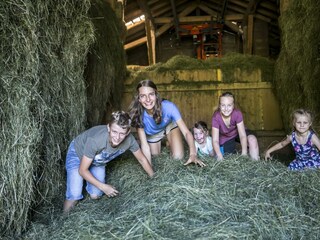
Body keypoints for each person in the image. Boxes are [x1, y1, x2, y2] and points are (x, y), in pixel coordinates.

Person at [63, 111, 154, 213]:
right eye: (114, 132)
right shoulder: (96, 140)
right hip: (78, 154)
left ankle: (89, 184)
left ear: (128, 133)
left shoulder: (130, 140)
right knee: (74, 195)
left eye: (122, 133)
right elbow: (82, 170)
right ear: (108, 128)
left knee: (95, 195)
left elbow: (142, 160)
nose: (117, 137)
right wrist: (104, 187)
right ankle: (64, 218)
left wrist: (154, 178)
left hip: (98, 160)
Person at [129, 79, 205, 167]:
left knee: (178, 158)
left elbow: (186, 132)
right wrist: (150, 171)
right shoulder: (138, 114)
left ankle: (170, 140)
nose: (148, 99)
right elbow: (144, 145)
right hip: (153, 134)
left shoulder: (169, 107)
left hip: (169, 125)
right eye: (143, 96)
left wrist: (193, 154)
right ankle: (167, 142)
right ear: (138, 98)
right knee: (155, 157)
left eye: (151, 94)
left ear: (156, 95)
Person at [211, 91, 260, 161]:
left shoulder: (237, 113)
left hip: (238, 133)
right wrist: (219, 156)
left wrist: (244, 153)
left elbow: (242, 135)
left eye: (229, 105)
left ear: (233, 106)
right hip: (226, 137)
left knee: (252, 140)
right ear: (219, 106)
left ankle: (255, 163)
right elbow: (215, 140)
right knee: (228, 156)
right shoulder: (216, 117)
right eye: (223, 105)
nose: (226, 109)